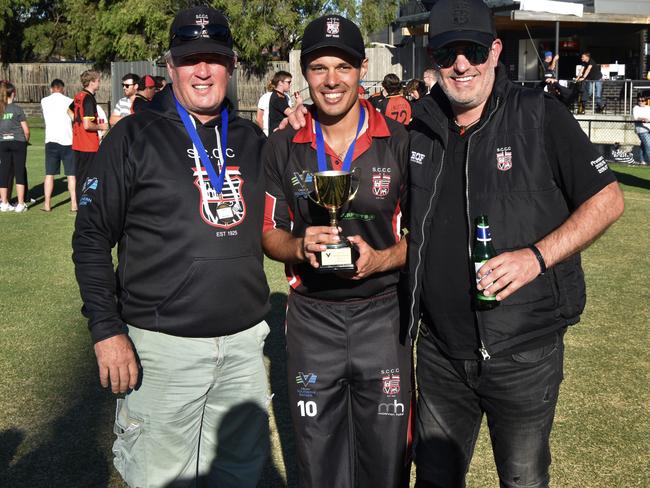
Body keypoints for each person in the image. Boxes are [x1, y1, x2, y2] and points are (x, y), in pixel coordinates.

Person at [405, 0, 625, 487]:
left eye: (474, 50)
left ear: (496, 50)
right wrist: (305, 117)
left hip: (523, 354)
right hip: (440, 354)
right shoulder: (418, 127)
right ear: (431, 57)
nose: (461, 64)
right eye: (447, 53)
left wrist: (536, 257)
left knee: (523, 480)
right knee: (435, 481)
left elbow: (608, 200)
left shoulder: (539, 115)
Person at [72, 6, 271, 487]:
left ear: (232, 64)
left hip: (244, 349)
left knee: (239, 478)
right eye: (190, 58)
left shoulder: (251, 138)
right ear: (170, 65)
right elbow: (92, 237)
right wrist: (106, 329)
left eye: (214, 58)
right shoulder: (132, 135)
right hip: (163, 349)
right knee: (162, 479)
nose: (202, 70)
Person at [262, 14, 411, 488]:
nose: (331, 80)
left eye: (343, 67)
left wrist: (383, 259)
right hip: (311, 319)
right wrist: (298, 245)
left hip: (384, 317)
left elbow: (427, 236)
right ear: (305, 73)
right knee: (316, 458)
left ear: (362, 68)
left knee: (386, 460)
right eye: (319, 67)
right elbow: (269, 232)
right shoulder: (283, 145)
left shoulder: (400, 141)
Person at [70, 69, 108, 200]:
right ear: (92, 82)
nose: (99, 83)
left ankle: (81, 204)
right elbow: (87, 125)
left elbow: (69, 111)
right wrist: (101, 126)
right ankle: (85, 204)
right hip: (88, 145)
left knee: (80, 177)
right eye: (98, 80)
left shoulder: (78, 96)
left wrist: (76, 125)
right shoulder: (89, 99)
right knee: (89, 177)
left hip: (78, 144)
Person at [40, 78, 76, 212]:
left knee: (49, 174)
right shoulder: (69, 101)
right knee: (71, 174)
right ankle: (74, 204)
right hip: (67, 140)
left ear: (51, 89)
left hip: (51, 140)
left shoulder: (44, 101)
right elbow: (73, 118)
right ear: (63, 88)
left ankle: (47, 204)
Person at [0, 81, 30, 213]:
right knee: (19, 172)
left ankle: (4, 203)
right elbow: (26, 130)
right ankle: (21, 204)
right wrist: (25, 141)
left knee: (4, 173)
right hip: (18, 142)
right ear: (13, 94)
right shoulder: (18, 109)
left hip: (3, 143)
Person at [632, 94, 650, 165]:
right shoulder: (636, 108)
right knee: (648, 145)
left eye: (642, 101)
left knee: (643, 145)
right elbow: (636, 117)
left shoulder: (648, 107)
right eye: (639, 100)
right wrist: (644, 119)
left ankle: (642, 161)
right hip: (642, 130)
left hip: (648, 128)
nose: (641, 102)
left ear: (645, 101)